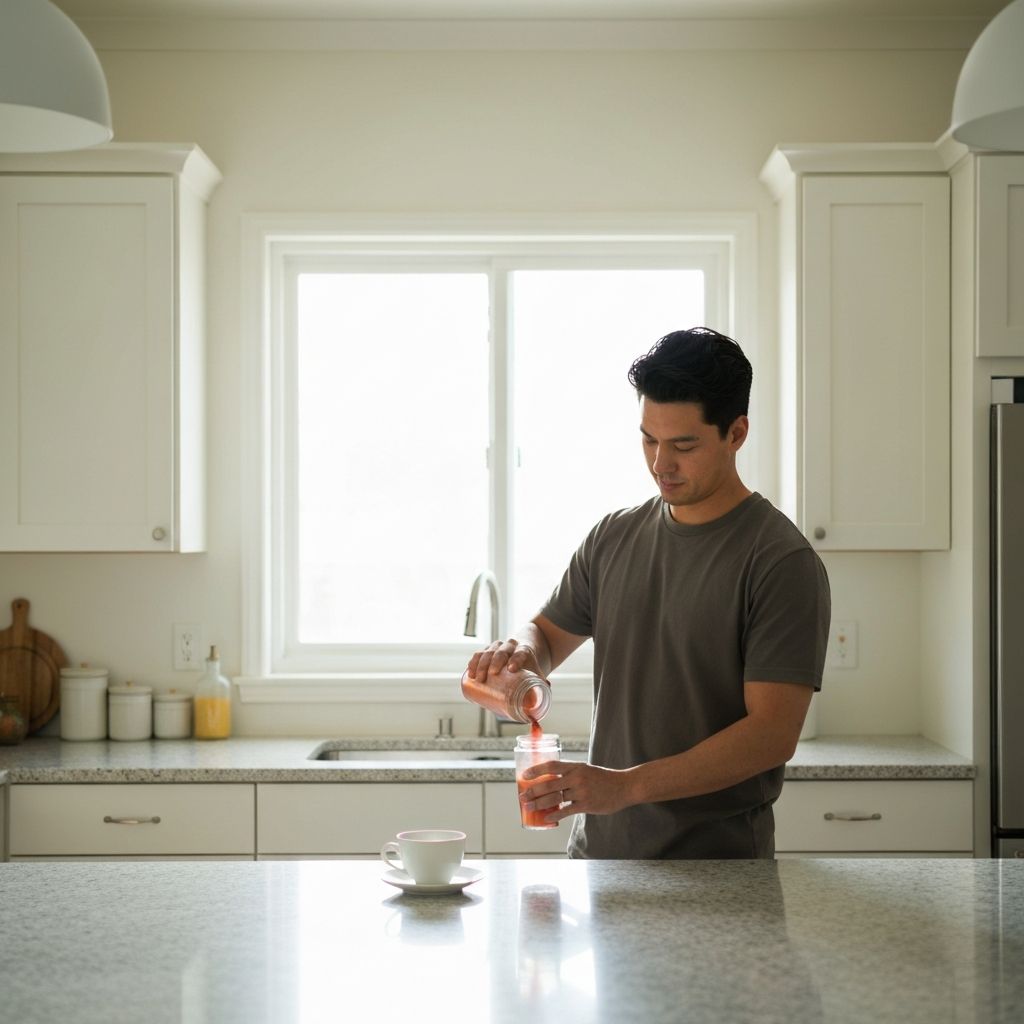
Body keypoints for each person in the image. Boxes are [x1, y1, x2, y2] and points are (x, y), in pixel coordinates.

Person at [466, 327, 831, 859]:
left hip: (719, 874)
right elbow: (546, 635)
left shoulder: (780, 562)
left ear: (737, 432)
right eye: (648, 439)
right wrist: (521, 651)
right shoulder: (613, 537)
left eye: (684, 445)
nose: (661, 463)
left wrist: (623, 785)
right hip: (601, 862)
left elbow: (772, 735)